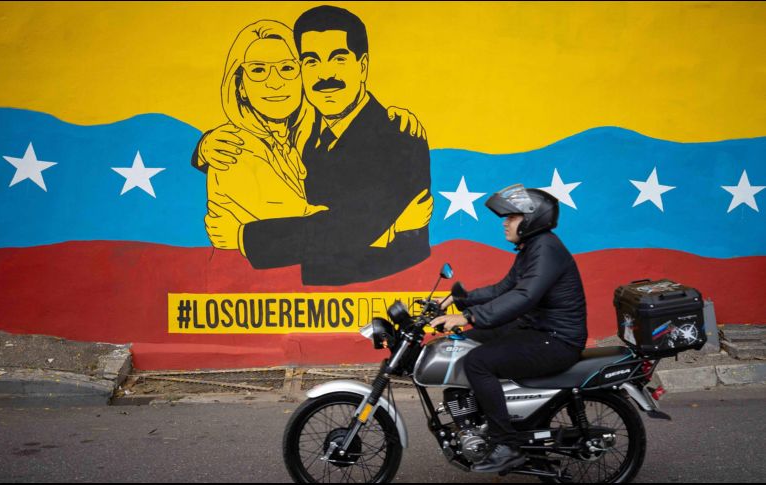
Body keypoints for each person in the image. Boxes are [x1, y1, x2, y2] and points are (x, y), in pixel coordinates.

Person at [204, 6, 432, 286]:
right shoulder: (305, 135)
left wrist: (243, 236)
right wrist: (203, 149)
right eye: (311, 61)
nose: (325, 75)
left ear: (362, 66)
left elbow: (346, 229)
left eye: (338, 59)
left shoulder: (398, 136)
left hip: (374, 290)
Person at [431, 184, 588, 473]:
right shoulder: (532, 248)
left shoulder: (547, 250)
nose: (505, 222)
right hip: (537, 329)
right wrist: (460, 299)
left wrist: (469, 317)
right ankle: (483, 415)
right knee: (464, 343)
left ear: (531, 219)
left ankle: (507, 445)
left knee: (477, 362)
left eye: (512, 217)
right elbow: (505, 288)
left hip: (557, 340)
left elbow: (523, 297)